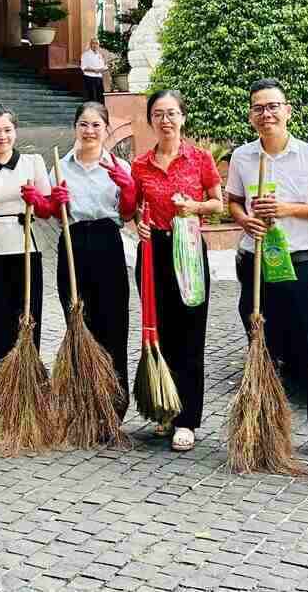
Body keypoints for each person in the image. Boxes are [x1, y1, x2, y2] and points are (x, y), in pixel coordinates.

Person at [227, 79, 308, 463]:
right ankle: (264, 427)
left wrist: (287, 208)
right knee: (261, 344)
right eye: (259, 108)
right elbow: (233, 202)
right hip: (255, 261)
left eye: (274, 106)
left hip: (299, 261)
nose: (267, 114)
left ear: (287, 110)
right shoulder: (243, 157)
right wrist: (247, 222)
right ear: (251, 115)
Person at [131, 89, 224, 451]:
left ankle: (187, 419)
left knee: (189, 333)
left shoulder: (199, 159)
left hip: (187, 249)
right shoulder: (140, 164)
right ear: (151, 120)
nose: (165, 120)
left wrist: (194, 207)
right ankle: (164, 409)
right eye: (158, 114)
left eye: (172, 113)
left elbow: (217, 202)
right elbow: (136, 208)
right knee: (159, 331)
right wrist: (138, 223)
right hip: (153, 251)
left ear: (183, 117)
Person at [0, 103, 59, 408]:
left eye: (7, 130)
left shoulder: (32, 163)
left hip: (26, 251)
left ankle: (29, 402)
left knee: (27, 325)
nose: (2, 136)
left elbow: (47, 213)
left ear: (15, 132)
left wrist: (40, 202)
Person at [49, 102, 137, 412]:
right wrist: (49, 201)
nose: (89, 131)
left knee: (112, 323)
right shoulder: (61, 167)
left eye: (96, 125)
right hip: (73, 245)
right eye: (84, 125)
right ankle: (82, 404)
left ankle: (114, 405)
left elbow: (127, 214)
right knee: (78, 322)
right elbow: (52, 213)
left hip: (107, 243)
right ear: (75, 127)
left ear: (105, 129)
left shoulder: (119, 167)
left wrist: (128, 191)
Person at [79, 38, 107, 104]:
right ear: (90, 44)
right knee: (91, 99)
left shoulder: (100, 55)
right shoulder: (85, 54)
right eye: (93, 43)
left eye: (96, 43)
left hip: (99, 79)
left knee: (100, 99)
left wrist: (103, 69)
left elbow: (103, 66)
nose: (95, 45)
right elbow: (83, 67)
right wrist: (94, 70)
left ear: (98, 45)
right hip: (89, 78)